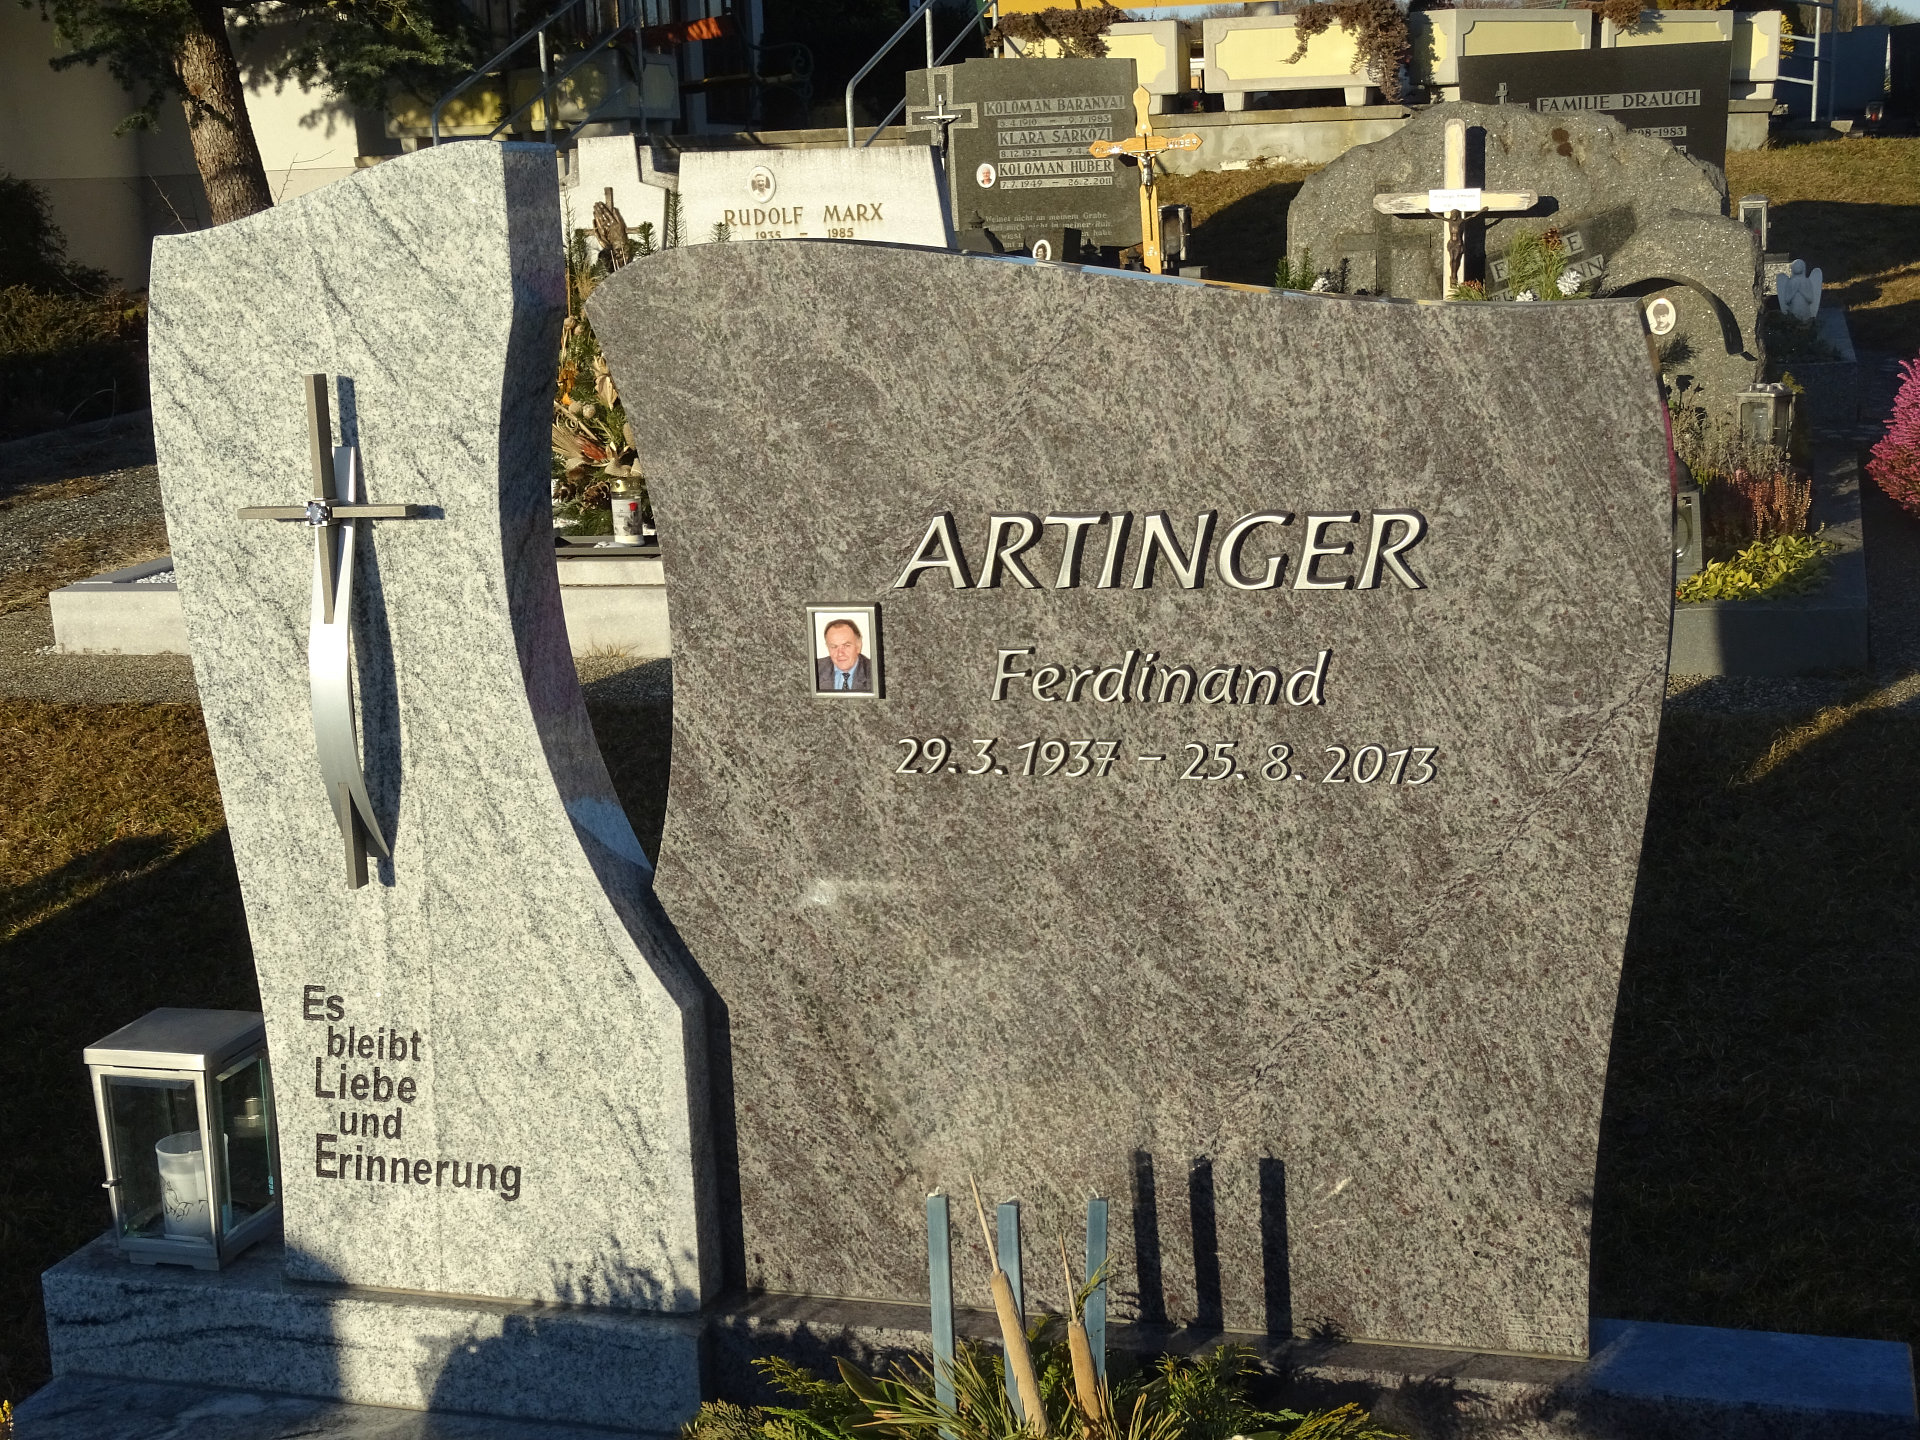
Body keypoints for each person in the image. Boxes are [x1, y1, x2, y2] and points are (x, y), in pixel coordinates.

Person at [815, 617, 872, 693]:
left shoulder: (875, 673)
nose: (840, 653)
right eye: (834, 647)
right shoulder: (815, 670)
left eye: (846, 646)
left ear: (858, 645)